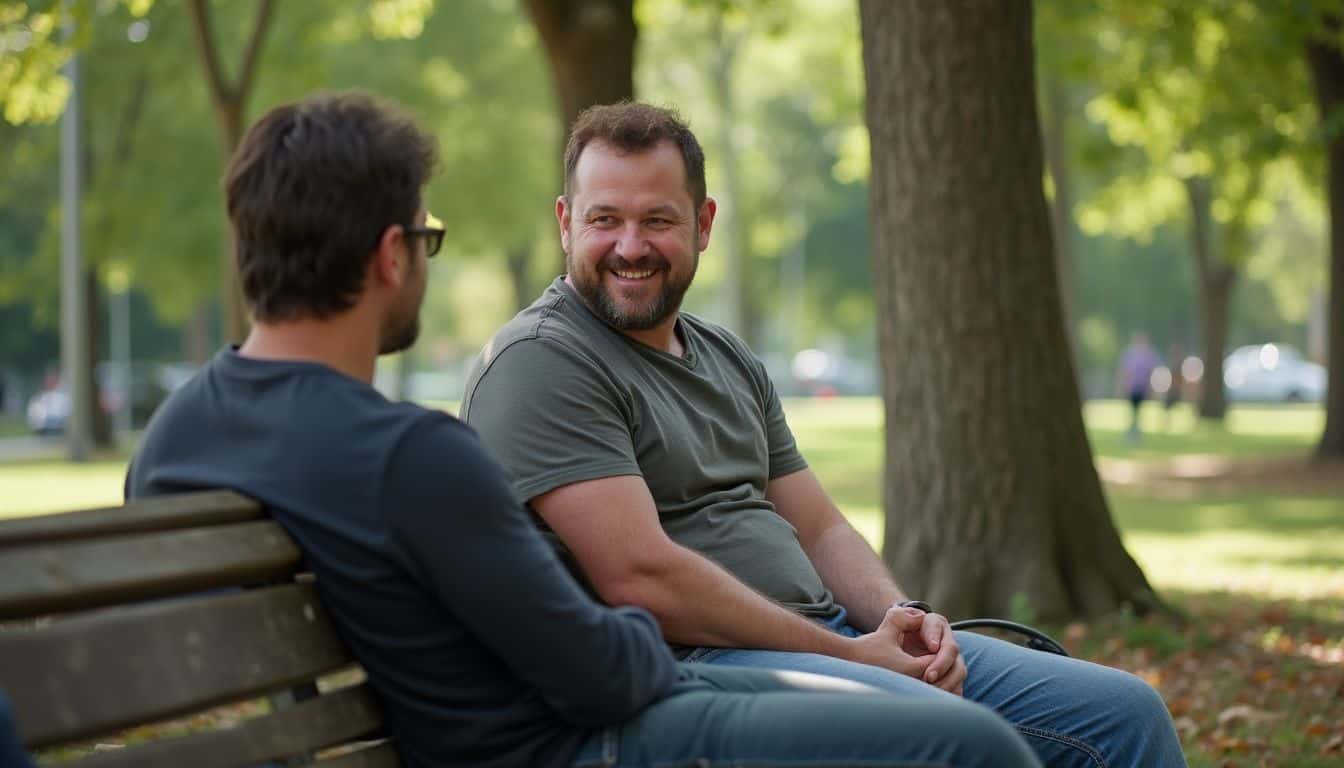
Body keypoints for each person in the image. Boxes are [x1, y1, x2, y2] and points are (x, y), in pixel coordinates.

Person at [125, 92, 1040, 768]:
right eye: (426, 237)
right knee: (966, 749)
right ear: (391, 256)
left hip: (513, 722)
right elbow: (605, 673)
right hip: (571, 742)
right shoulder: (414, 456)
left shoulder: (175, 438)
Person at [462, 102, 1186, 768]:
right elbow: (640, 578)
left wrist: (902, 620)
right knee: (960, 741)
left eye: (658, 220)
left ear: (704, 224)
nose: (630, 245)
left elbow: (819, 527)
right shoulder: (544, 362)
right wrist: (850, 653)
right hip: (701, 671)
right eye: (603, 220)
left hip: (829, 639)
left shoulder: (724, 356)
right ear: (564, 222)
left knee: (1125, 714)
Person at [1116, 332, 1161, 442]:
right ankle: (1133, 433)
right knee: (1133, 411)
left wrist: (1152, 388)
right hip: (1132, 387)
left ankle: (1135, 433)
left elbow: (1152, 373)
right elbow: (1124, 372)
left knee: (1138, 411)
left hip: (1142, 388)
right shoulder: (1129, 355)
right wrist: (1122, 386)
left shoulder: (1149, 356)